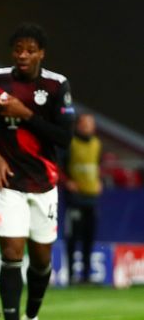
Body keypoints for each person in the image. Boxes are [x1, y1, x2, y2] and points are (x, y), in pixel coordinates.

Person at [0, 23, 75, 320]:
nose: (23, 55)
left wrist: (24, 114)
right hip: (9, 182)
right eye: (18, 49)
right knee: (12, 253)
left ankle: (31, 319)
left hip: (44, 182)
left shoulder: (56, 86)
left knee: (42, 259)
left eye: (30, 50)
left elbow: (63, 138)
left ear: (41, 53)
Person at [62, 113, 102, 284]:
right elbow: (59, 166)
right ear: (78, 125)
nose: (87, 127)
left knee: (89, 237)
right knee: (73, 237)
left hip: (91, 197)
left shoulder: (97, 144)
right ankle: (71, 275)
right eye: (84, 124)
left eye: (90, 124)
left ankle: (86, 276)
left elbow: (96, 165)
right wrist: (67, 181)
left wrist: (98, 181)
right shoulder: (70, 143)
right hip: (74, 198)